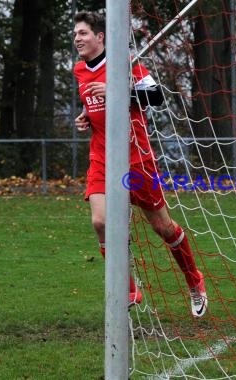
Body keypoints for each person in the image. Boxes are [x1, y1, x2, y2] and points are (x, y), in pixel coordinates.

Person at [72, 11, 207, 317]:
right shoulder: (80, 70)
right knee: (100, 221)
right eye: (76, 34)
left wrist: (117, 90)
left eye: (83, 33)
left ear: (100, 37)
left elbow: (156, 97)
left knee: (163, 226)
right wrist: (85, 117)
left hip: (136, 159)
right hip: (101, 157)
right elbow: (95, 105)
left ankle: (194, 281)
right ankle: (129, 289)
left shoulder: (128, 63)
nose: (77, 39)